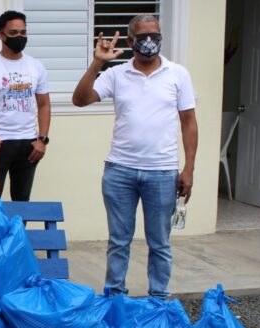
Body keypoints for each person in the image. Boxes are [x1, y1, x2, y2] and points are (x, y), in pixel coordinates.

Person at [72, 14, 198, 298]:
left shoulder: (178, 74)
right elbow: (79, 100)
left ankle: (159, 300)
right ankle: (115, 298)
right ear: (131, 41)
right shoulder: (116, 74)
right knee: (118, 241)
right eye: (142, 37)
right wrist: (98, 63)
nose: (150, 42)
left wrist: (188, 168)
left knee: (160, 243)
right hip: (120, 171)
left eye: (155, 35)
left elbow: (189, 122)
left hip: (163, 172)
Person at [0, 10, 51, 202]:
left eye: (23, 33)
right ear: (1, 35)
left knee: (22, 200)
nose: (19, 37)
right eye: (14, 33)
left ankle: (18, 233)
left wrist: (42, 139)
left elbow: (43, 105)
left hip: (28, 144)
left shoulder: (36, 66)